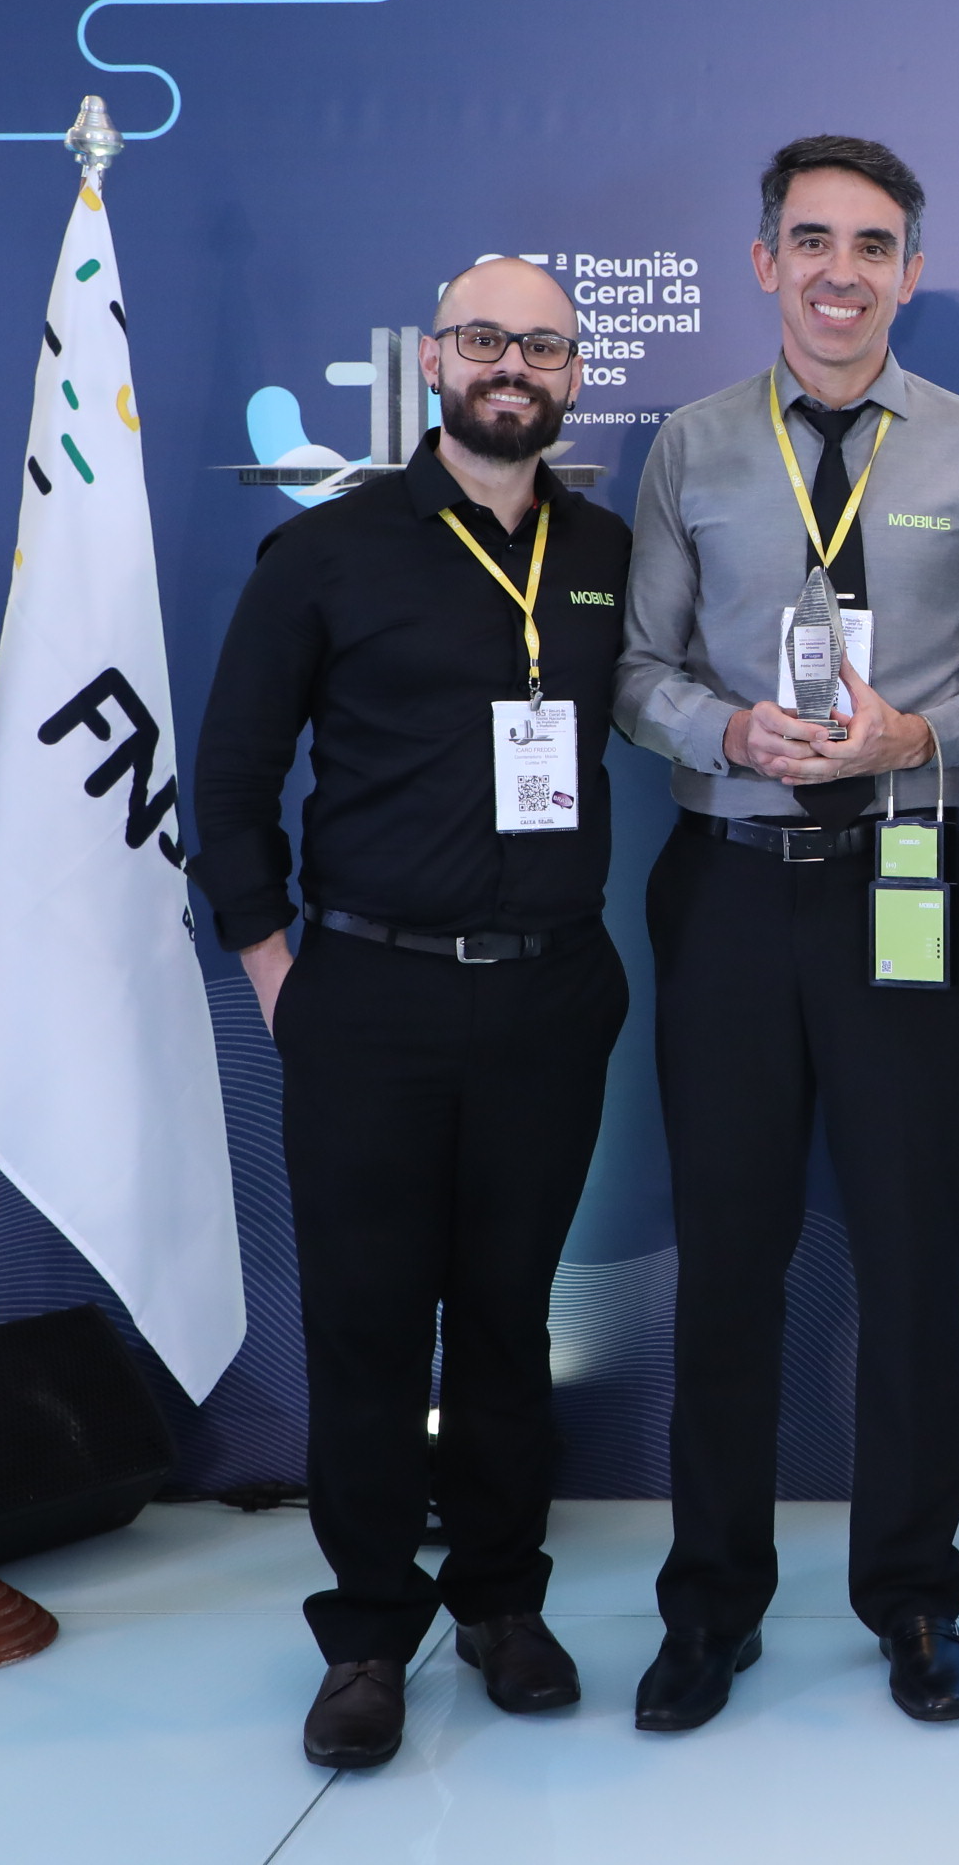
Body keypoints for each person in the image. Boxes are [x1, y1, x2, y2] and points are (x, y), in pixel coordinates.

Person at [614, 135, 959, 1729]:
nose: (840, 272)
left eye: (872, 246)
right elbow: (635, 671)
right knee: (729, 1259)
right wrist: (725, 731)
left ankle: (914, 1600)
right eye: (812, 241)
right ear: (764, 263)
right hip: (730, 884)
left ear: (910, 274)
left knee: (916, 1257)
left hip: (906, 884)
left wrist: (915, 737)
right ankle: (710, 1607)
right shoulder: (692, 446)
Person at [192, 256, 632, 1771]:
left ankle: (504, 1604)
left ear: (574, 376)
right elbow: (231, 783)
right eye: (487, 340)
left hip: (550, 994)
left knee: (510, 1320)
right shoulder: (326, 550)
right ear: (434, 360)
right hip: (368, 997)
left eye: (545, 347)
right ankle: (370, 1634)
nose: (516, 366)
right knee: (371, 1329)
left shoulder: (604, 550)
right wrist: (278, 976)